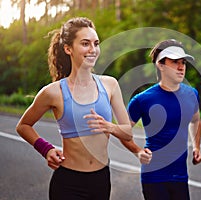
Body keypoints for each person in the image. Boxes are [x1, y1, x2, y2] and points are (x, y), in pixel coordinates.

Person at [16, 17, 132, 200]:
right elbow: (23, 126)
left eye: (96, 43)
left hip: (101, 180)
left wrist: (109, 127)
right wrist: (46, 149)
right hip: (68, 183)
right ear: (68, 48)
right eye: (85, 44)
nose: (93, 50)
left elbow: (128, 133)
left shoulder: (110, 85)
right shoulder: (53, 92)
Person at [121, 39, 201, 200]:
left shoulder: (192, 94)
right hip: (154, 177)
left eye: (183, 62)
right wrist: (137, 151)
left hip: (180, 176)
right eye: (174, 62)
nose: (181, 67)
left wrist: (197, 147)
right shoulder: (142, 99)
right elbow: (122, 131)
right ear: (161, 64)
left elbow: (195, 121)